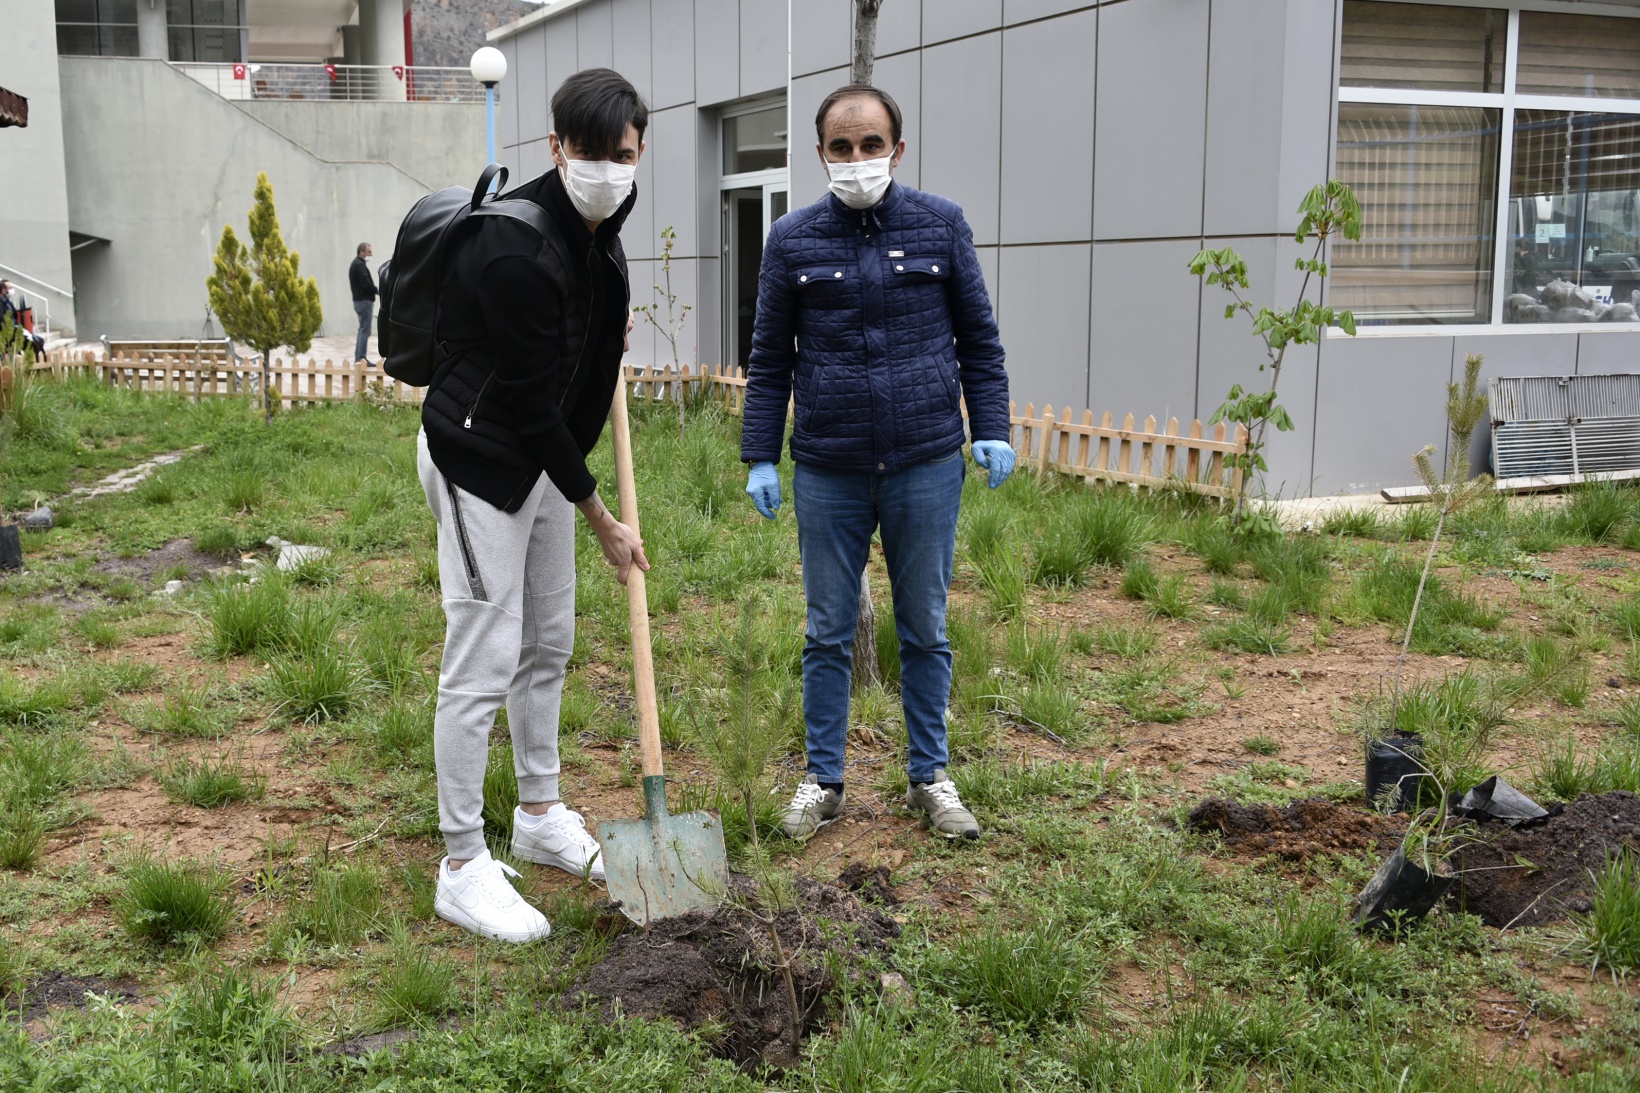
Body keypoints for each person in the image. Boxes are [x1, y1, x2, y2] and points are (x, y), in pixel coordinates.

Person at [740, 84, 1014, 843]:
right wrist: (760, 454)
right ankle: (824, 781)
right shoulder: (791, 240)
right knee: (828, 631)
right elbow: (769, 358)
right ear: (820, 153)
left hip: (926, 460)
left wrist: (991, 426)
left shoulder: (941, 225)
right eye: (841, 146)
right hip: (828, 466)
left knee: (924, 625)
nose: (856, 158)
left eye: (871, 145)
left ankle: (930, 776)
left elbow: (979, 341)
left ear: (897, 149)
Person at [416, 68, 650, 943]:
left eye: (622, 154)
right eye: (590, 152)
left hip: (547, 460)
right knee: (484, 651)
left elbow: (574, 364)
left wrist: (602, 324)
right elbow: (524, 400)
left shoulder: (604, 232)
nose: (607, 169)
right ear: (556, 148)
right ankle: (461, 863)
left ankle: (540, 813)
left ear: (638, 152)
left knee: (547, 640)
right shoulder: (512, 246)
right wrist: (601, 516)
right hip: (482, 456)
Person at [350, 243, 377, 365]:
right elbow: (366, 283)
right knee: (365, 331)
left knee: (362, 330)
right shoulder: (359, 265)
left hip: (360, 301)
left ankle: (359, 358)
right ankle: (361, 358)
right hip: (364, 302)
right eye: (369, 252)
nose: (371, 254)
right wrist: (378, 290)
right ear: (362, 252)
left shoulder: (356, 264)